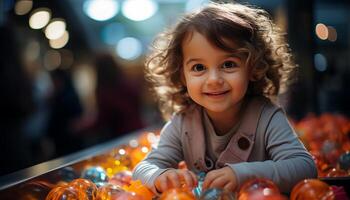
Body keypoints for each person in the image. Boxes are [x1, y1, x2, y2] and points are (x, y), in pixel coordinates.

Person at [132, 2, 317, 194]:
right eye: (199, 68)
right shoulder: (183, 123)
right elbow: (142, 169)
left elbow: (305, 167)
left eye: (228, 64)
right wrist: (160, 177)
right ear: (182, 75)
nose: (213, 80)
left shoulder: (266, 117)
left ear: (254, 67)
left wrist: (244, 175)